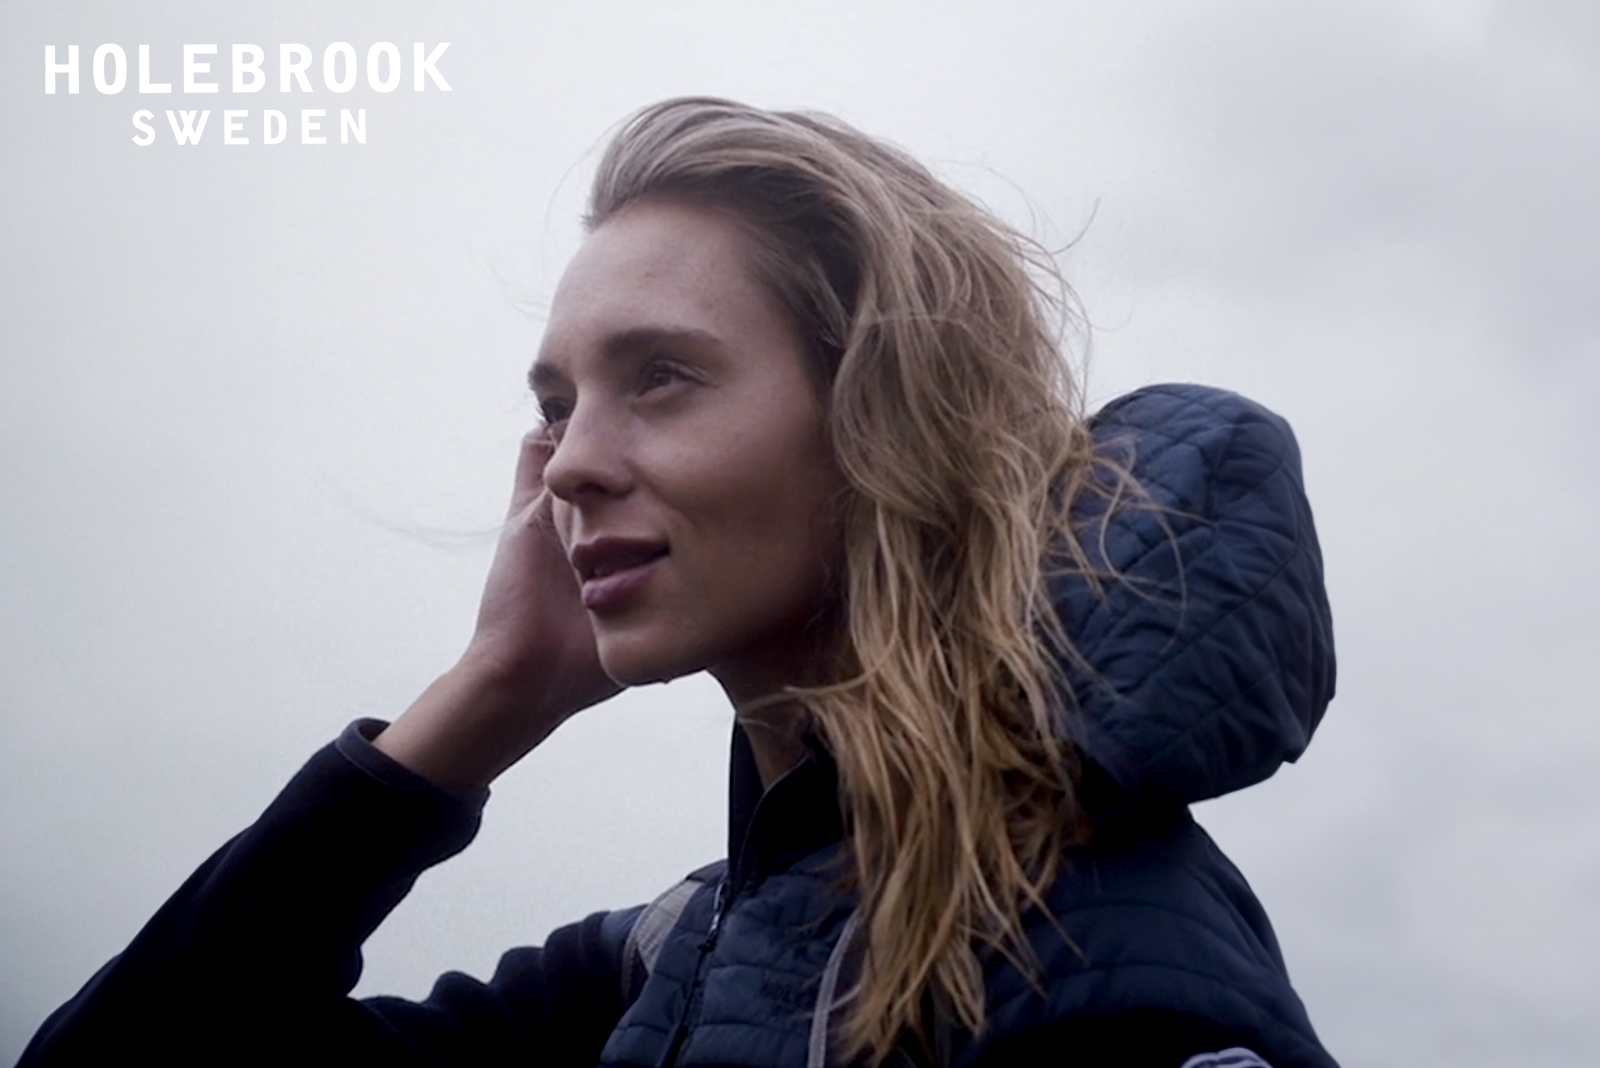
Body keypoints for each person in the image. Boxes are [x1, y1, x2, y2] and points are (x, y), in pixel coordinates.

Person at [20, 98, 1339, 1068]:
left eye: (660, 376)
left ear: (883, 417)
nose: (566, 467)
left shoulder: (1099, 936)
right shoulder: (673, 956)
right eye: (556, 405)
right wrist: (491, 694)